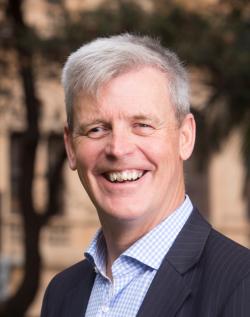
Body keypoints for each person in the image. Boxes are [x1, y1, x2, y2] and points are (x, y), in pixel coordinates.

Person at [41, 34, 250, 317]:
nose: (118, 148)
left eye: (142, 125)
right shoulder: (62, 294)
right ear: (70, 147)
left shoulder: (241, 285)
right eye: (96, 129)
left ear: (185, 137)